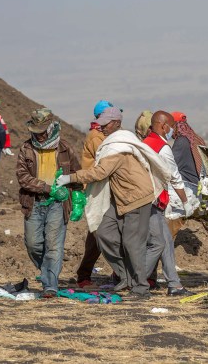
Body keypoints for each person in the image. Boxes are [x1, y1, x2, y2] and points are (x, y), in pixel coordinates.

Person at [56, 107, 171, 300]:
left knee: (132, 243)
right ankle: (126, 276)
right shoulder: (114, 143)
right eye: (100, 125)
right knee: (102, 231)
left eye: (105, 125)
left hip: (136, 198)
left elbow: (99, 172)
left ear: (116, 123)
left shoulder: (118, 147)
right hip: (120, 198)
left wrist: (70, 178)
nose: (101, 128)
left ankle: (141, 288)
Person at [16, 109, 80, 298]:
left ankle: (50, 285)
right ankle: (47, 272)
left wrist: (78, 197)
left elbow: (76, 173)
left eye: (43, 131)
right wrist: (47, 188)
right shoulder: (26, 149)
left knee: (53, 246)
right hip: (34, 202)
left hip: (58, 205)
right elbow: (22, 176)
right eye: (36, 132)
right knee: (33, 244)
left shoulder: (65, 149)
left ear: (52, 127)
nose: (39, 135)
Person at [142, 111, 194, 297]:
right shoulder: (163, 148)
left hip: (147, 199)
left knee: (167, 243)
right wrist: (186, 202)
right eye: (171, 127)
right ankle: (136, 281)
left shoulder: (146, 143)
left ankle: (174, 284)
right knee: (157, 243)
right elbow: (175, 178)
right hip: (151, 201)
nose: (173, 130)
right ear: (164, 127)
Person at [169, 112, 208, 247]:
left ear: (176, 126)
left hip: (188, 192)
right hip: (203, 191)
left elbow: (170, 167)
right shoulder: (197, 139)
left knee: (171, 227)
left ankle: (162, 258)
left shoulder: (181, 142)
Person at [75, 100, 115, 288]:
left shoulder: (100, 135)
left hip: (104, 188)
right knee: (97, 233)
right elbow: (106, 162)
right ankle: (84, 274)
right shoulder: (97, 137)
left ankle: (117, 273)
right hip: (97, 190)